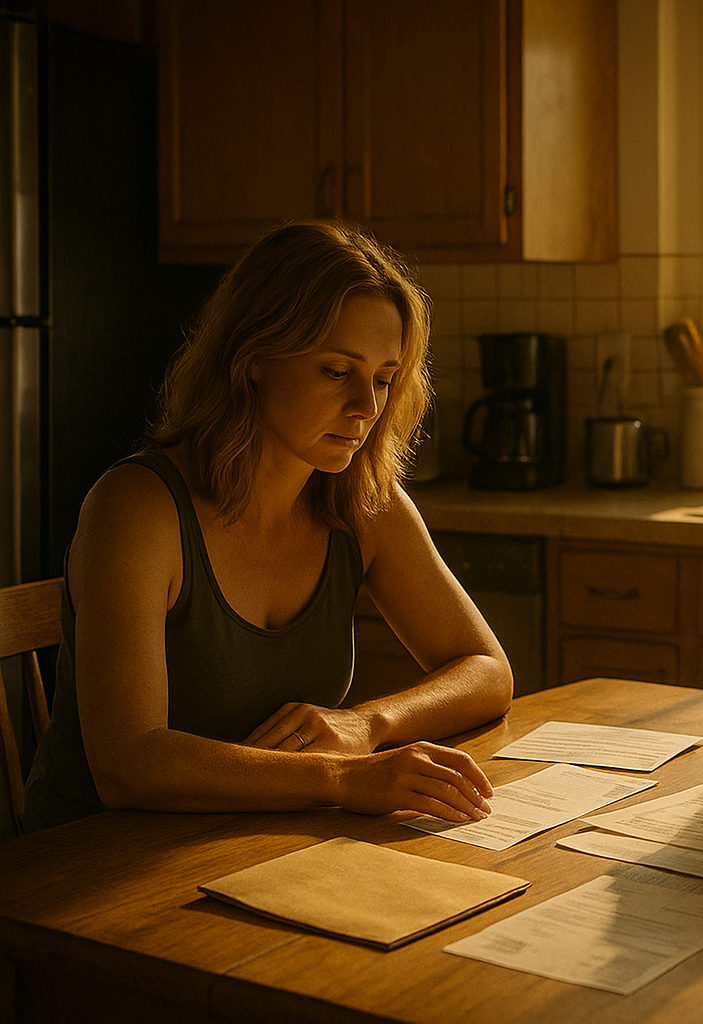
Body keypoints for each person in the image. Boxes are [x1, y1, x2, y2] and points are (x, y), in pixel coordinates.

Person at [22, 221, 512, 832]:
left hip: (254, 838)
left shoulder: (362, 502)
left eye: (384, 380)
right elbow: (127, 761)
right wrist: (341, 778)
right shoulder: (137, 508)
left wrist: (368, 724)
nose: (366, 406)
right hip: (92, 866)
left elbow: (488, 670)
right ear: (253, 359)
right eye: (338, 371)